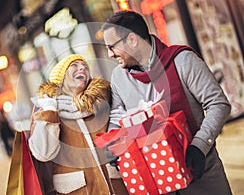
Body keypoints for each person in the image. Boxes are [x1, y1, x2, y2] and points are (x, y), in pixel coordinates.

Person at [101, 10, 232, 195]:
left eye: (112, 47)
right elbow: (117, 117)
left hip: (202, 172)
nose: (110, 54)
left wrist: (199, 146)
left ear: (132, 40)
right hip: (157, 181)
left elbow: (218, 104)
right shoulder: (118, 77)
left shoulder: (183, 60)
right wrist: (113, 143)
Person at [28, 54, 128, 195]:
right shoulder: (49, 111)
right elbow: (43, 153)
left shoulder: (101, 104)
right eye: (74, 66)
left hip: (116, 187)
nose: (82, 68)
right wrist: (50, 110)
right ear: (60, 79)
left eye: (85, 67)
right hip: (78, 190)